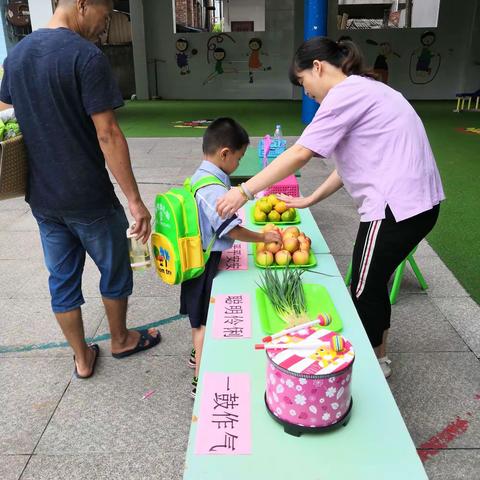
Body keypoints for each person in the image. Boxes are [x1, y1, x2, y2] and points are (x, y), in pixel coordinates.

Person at [216, 37, 445, 378]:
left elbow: (299, 153)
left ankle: (370, 367)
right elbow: (346, 165)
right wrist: (310, 199)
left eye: (304, 82)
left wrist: (244, 191)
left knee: (365, 288)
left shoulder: (345, 95)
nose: (306, 91)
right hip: (417, 204)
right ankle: (379, 355)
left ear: (318, 67)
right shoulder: (369, 89)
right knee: (373, 281)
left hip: (395, 207)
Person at [0, 0, 161, 379]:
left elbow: (6, 117)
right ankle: (120, 339)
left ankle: (82, 358)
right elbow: (107, 133)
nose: (103, 28)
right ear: (82, 5)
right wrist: (135, 201)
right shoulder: (85, 57)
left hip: (43, 197)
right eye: (103, 18)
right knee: (117, 267)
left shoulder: (19, 54)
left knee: (62, 279)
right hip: (89, 195)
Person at [182, 117, 281, 398]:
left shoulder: (201, 176)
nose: (238, 165)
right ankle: (199, 382)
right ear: (224, 153)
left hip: (195, 256)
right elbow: (232, 230)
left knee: (199, 315)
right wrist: (263, 237)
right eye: (238, 159)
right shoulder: (212, 188)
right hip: (201, 263)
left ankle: (195, 355)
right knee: (201, 323)